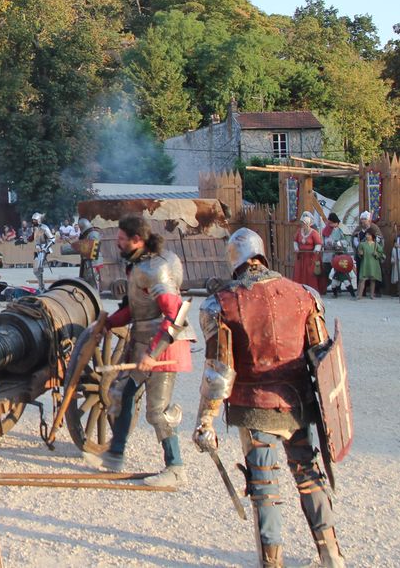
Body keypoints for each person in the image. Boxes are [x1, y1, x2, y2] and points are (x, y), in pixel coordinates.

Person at [192, 228, 345, 567]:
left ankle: (273, 563)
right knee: (309, 476)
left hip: (253, 406)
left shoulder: (221, 303)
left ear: (235, 261)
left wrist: (205, 420)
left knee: (264, 487)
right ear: (261, 255)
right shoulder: (305, 295)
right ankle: (332, 555)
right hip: (298, 405)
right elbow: (321, 357)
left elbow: (220, 371)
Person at [87, 215, 194, 487]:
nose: (118, 243)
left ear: (138, 240)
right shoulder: (138, 267)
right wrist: (109, 323)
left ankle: (175, 467)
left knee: (157, 411)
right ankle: (115, 454)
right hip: (142, 342)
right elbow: (135, 311)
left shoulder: (153, 270)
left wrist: (154, 353)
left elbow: (175, 315)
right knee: (120, 394)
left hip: (164, 346)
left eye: (122, 238)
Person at [292, 214, 322, 290]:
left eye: (304, 224)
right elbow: (295, 241)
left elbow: (318, 243)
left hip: (311, 257)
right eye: (302, 223)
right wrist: (296, 248)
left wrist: (316, 249)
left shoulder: (314, 233)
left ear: (308, 224)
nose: (302, 225)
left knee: (310, 273)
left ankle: (311, 288)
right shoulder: (299, 232)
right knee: (299, 272)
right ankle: (299, 288)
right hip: (301, 256)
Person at [320, 213, 345, 294]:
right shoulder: (325, 230)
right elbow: (322, 240)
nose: (330, 224)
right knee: (325, 271)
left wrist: (337, 244)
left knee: (338, 271)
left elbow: (345, 240)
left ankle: (338, 288)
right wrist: (324, 244)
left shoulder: (341, 230)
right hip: (327, 254)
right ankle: (325, 286)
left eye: (332, 223)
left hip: (337, 254)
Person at [30, 212, 54, 292]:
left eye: (35, 220)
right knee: (36, 270)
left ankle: (41, 288)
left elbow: (52, 239)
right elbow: (33, 238)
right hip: (37, 250)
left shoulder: (45, 228)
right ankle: (41, 287)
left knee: (38, 269)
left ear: (39, 220)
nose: (33, 222)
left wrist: (45, 248)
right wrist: (24, 239)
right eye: (33, 220)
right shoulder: (34, 228)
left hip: (43, 250)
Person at [77, 217, 104, 291]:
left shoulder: (93, 234)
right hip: (89, 263)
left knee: (93, 286)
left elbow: (93, 249)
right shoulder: (88, 234)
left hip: (93, 264)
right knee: (88, 285)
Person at [356, 230, 384, 298]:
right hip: (365, 263)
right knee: (362, 279)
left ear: (372, 236)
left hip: (374, 264)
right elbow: (359, 252)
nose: (367, 236)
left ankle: (372, 295)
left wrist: (376, 254)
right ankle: (359, 295)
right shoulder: (362, 244)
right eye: (366, 235)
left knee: (373, 280)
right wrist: (360, 254)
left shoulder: (376, 245)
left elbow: (381, 254)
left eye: (369, 235)